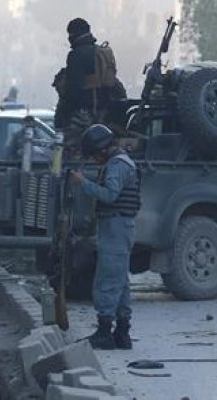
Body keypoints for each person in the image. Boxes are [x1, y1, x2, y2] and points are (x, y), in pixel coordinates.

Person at [68, 124, 140, 350]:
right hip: (120, 226)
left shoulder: (117, 165)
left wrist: (83, 183)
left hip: (115, 227)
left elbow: (110, 195)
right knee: (120, 281)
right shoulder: (121, 161)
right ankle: (122, 333)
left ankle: (104, 332)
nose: (95, 159)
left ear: (102, 149)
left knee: (107, 280)